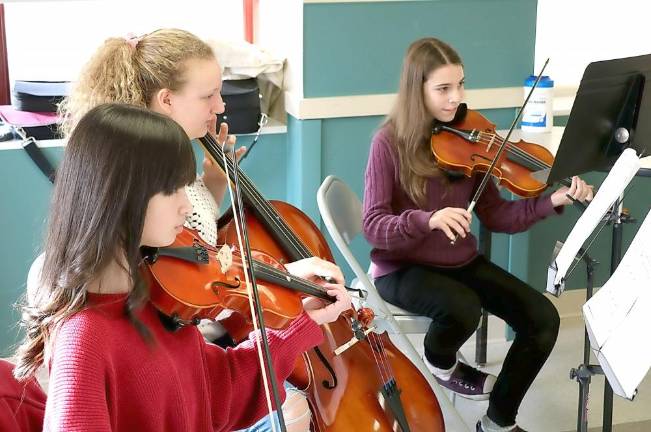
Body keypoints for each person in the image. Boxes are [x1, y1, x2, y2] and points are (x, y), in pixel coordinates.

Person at [49, 28, 346, 431]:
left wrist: (301, 320)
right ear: (124, 195)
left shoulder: (151, 309)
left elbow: (219, 389)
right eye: (172, 188)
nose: (186, 204)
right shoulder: (84, 341)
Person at [362, 37, 593, 432]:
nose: (456, 99)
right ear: (417, 90)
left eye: (461, 85)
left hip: (459, 261)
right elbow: (373, 225)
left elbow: (499, 215)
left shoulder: (471, 139)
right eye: (443, 89)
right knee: (463, 307)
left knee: (542, 318)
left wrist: (550, 200)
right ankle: (441, 362)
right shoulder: (389, 142)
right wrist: (428, 220)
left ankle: (498, 421)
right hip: (402, 268)